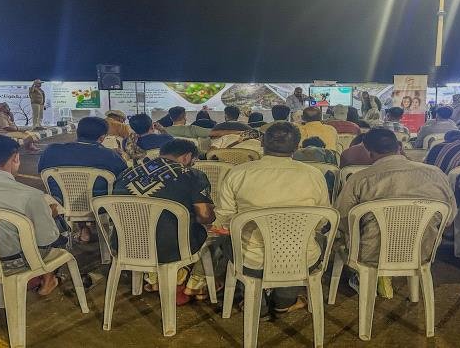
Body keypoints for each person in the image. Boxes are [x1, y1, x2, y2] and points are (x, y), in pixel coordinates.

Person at [216, 122, 330, 313]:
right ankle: (284, 302)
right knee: (318, 240)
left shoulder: (238, 173)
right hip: (300, 259)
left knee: (228, 240)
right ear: (297, 147)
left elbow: (225, 219)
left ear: (262, 143)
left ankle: (254, 301)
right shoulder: (314, 175)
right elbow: (322, 220)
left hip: (251, 261)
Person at [334, 128, 455, 295]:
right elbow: (449, 217)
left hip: (372, 254)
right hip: (423, 250)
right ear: (399, 146)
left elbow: (342, 219)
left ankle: (366, 278)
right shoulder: (436, 174)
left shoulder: (360, 179)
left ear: (369, 153)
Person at [114, 139, 215, 298]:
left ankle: (153, 278)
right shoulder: (192, 175)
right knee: (217, 235)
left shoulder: (126, 173)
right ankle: (196, 283)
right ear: (187, 157)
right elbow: (205, 217)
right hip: (169, 249)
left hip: (126, 244)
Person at [0, 135, 64, 295]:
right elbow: (46, 240)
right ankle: (48, 279)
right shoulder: (30, 196)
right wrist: (50, 216)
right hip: (11, 262)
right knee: (58, 226)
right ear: (15, 158)